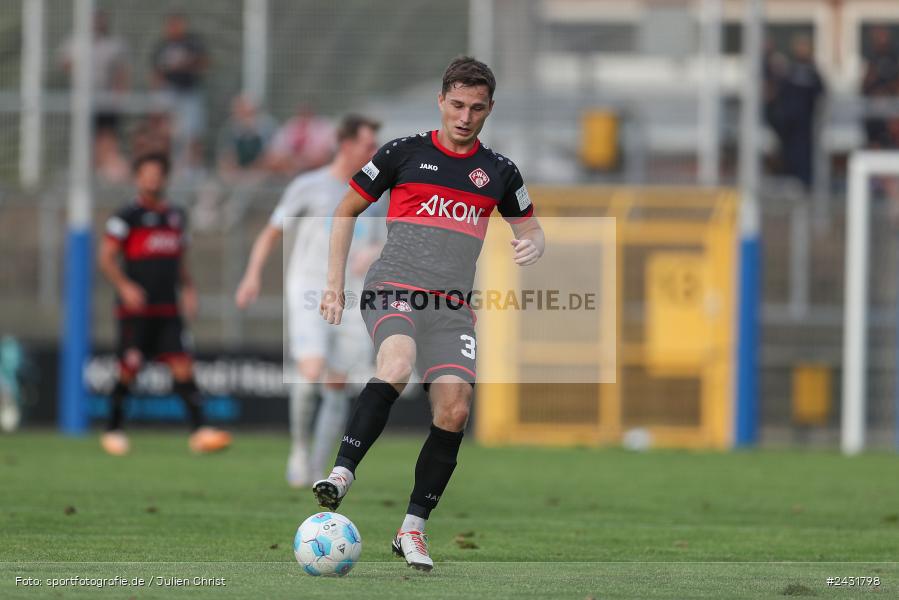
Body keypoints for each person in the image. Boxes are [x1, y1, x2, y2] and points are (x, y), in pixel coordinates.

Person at [315, 56, 545, 571]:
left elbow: (530, 227)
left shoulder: (501, 172)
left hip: (453, 306)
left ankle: (412, 531)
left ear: (489, 110)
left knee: (455, 410)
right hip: (394, 287)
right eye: (457, 105)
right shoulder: (403, 153)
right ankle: (341, 474)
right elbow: (345, 210)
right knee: (394, 366)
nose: (465, 116)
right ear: (441, 101)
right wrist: (333, 286)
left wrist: (534, 244)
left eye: (477, 108)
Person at [235, 115, 383, 487]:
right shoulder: (310, 185)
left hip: (351, 294)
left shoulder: (376, 193)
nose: (374, 152)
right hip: (309, 289)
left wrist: (375, 251)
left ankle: (319, 468)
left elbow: (385, 239)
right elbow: (272, 231)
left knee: (338, 381)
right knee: (312, 369)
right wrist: (252, 275)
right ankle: (299, 451)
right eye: (368, 145)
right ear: (346, 145)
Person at [98, 153, 232, 456]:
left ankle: (200, 431)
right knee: (129, 367)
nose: (152, 180)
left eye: (157, 175)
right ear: (138, 178)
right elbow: (105, 258)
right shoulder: (125, 217)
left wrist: (189, 290)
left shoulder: (176, 216)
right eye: (147, 174)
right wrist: (125, 285)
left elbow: (179, 262)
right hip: (136, 309)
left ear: (165, 178)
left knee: (184, 366)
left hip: (168, 307)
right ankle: (113, 428)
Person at [58, 10, 130, 183]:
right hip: (83, 98)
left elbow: (121, 72)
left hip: (105, 98)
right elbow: (65, 64)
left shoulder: (113, 44)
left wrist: (119, 95)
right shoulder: (76, 42)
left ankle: (105, 172)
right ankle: (88, 172)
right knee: (85, 136)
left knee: (107, 136)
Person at [151, 13, 209, 167]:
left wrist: (186, 64)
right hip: (169, 93)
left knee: (192, 133)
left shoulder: (193, 44)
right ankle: (167, 164)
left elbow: (204, 63)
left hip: (189, 92)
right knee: (166, 132)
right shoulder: (162, 46)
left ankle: (193, 167)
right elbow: (156, 73)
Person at [778, 35, 825, 190]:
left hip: (805, 124)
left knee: (804, 156)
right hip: (789, 124)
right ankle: (790, 182)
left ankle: (805, 184)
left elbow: (821, 92)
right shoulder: (790, 69)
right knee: (789, 155)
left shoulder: (812, 71)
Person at [216, 94, 279, 182]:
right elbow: (226, 159)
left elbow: (272, 158)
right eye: (237, 111)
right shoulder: (230, 129)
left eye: (245, 112)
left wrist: (252, 171)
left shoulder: (267, 127)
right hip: (238, 174)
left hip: (261, 174)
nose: (241, 116)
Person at [265, 106, 335, 176]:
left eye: (307, 112)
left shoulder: (323, 126)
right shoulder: (291, 125)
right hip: (291, 162)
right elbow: (277, 149)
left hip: (313, 163)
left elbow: (326, 152)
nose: (304, 116)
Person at [861, 26, 899, 149]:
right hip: (874, 106)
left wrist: (888, 93)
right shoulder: (872, 58)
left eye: (883, 36)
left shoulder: (894, 57)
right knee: (875, 135)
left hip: (892, 105)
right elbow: (865, 84)